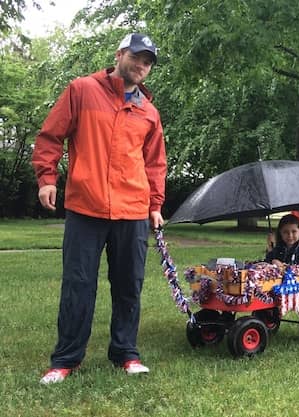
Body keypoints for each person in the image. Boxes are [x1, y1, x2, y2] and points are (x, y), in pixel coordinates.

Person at [32, 33, 166, 384]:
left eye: (148, 62)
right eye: (137, 56)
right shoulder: (82, 90)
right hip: (85, 207)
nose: (142, 65)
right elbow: (50, 136)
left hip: (133, 210)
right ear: (120, 53)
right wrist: (47, 177)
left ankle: (125, 352)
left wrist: (155, 206)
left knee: (128, 286)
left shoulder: (149, 112)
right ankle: (65, 359)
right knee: (78, 284)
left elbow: (155, 164)